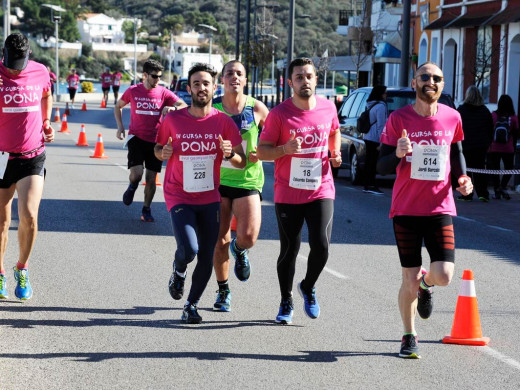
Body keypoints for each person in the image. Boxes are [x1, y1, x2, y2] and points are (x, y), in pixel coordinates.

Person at [377, 62, 473, 359]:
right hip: (406, 209)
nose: (430, 82)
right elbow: (379, 167)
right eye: (425, 77)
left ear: (442, 85)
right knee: (408, 278)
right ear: (414, 81)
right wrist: (397, 153)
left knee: (443, 274)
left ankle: (427, 286)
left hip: (440, 206)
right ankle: (409, 335)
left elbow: (456, 153)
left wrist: (463, 179)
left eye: (437, 78)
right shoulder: (398, 119)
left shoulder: (452, 117)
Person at [154, 63, 246, 324]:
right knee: (189, 249)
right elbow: (158, 148)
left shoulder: (223, 122)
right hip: (179, 194)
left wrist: (230, 153)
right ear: (189, 88)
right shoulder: (173, 119)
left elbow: (241, 161)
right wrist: (163, 153)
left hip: (209, 197)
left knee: (207, 253)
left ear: (214, 88)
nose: (202, 87)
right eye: (196, 83)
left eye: (206, 83)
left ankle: (191, 305)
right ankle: (179, 269)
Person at [257, 58, 342, 325]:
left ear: (316, 79)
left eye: (309, 76)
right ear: (290, 82)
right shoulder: (279, 114)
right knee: (290, 250)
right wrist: (284, 150)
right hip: (288, 192)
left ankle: (307, 286)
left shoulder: (328, 108)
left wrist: (335, 151)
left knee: (322, 246)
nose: (304, 81)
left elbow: (334, 132)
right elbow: (262, 151)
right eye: (299, 77)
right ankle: (285, 299)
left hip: (321, 188)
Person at [0, 33, 55, 300]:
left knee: (30, 216)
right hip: (0, 157)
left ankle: (22, 268)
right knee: (1, 221)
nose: (14, 69)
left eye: (18, 64)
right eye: (10, 63)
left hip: (32, 153)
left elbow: (46, 96)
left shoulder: (40, 71)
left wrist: (46, 121)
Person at [211, 60, 269, 312]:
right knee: (219, 239)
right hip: (216, 182)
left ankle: (240, 250)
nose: (234, 77)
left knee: (248, 236)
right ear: (221, 80)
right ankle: (223, 291)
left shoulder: (257, 108)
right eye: (229, 73)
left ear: (245, 80)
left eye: (239, 74)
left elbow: (272, 140)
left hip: (247, 180)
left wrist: (263, 153)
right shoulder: (211, 109)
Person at [114, 59, 186, 222]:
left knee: (151, 178)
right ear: (145, 75)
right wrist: (120, 127)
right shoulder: (133, 91)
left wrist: (174, 108)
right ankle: (132, 186)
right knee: (137, 174)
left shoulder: (163, 92)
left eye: (159, 77)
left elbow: (183, 105)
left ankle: (146, 209)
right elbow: (118, 106)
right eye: (154, 76)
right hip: (136, 138)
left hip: (156, 141)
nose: (157, 80)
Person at [457, 85, 494, 202]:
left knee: (465, 171)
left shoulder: (461, 110)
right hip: (480, 146)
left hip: (465, 145)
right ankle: (483, 194)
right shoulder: (485, 110)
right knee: (480, 169)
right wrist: (488, 142)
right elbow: (490, 128)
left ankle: (466, 195)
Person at [487, 94, 519, 200]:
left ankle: (497, 190)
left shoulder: (494, 115)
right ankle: (503, 187)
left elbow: (489, 129)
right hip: (508, 148)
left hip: (494, 147)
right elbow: (516, 132)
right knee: (509, 168)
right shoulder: (513, 117)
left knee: (495, 169)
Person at [362, 85, 388, 195]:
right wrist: (382, 142)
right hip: (375, 138)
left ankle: (367, 185)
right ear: (381, 94)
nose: (386, 95)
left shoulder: (370, 104)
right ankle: (371, 185)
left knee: (369, 162)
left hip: (367, 136)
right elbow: (381, 125)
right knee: (373, 162)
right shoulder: (381, 106)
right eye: (385, 93)